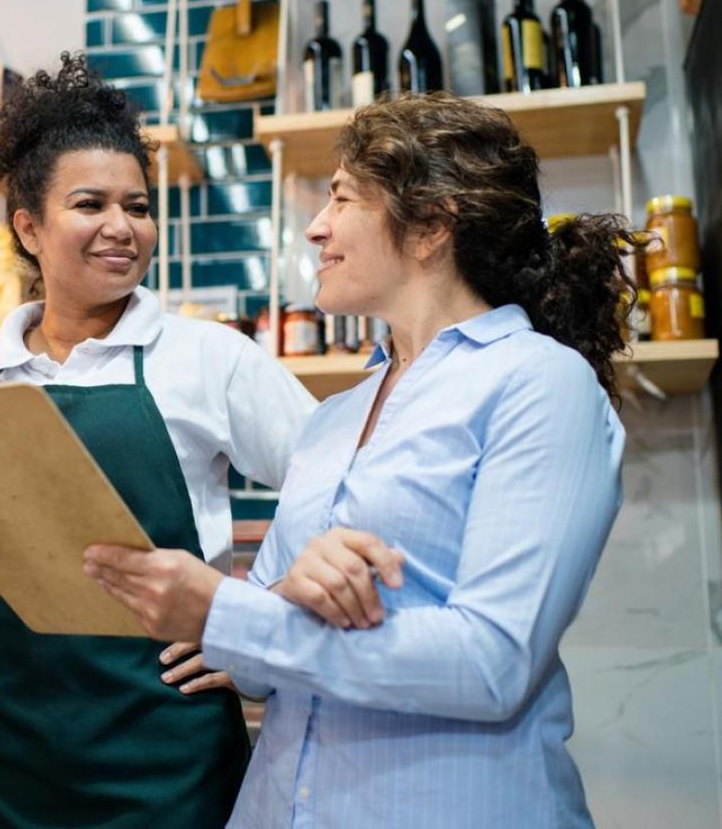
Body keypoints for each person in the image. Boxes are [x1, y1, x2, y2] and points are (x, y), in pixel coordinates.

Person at [85, 92, 630, 828]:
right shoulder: (336, 418)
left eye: (341, 198)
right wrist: (278, 601)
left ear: (432, 225)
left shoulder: (538, 382)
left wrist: (227, 610)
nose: (316, 227)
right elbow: (252, 669)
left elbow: (493, 662)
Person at [0, 53, 317, 829]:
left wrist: (258, 616)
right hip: (8, 768)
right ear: (29, 226)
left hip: (169, 765)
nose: (123, 228)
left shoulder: (208, 359)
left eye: (139, 206)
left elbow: (344, 487)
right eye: (90, 203)